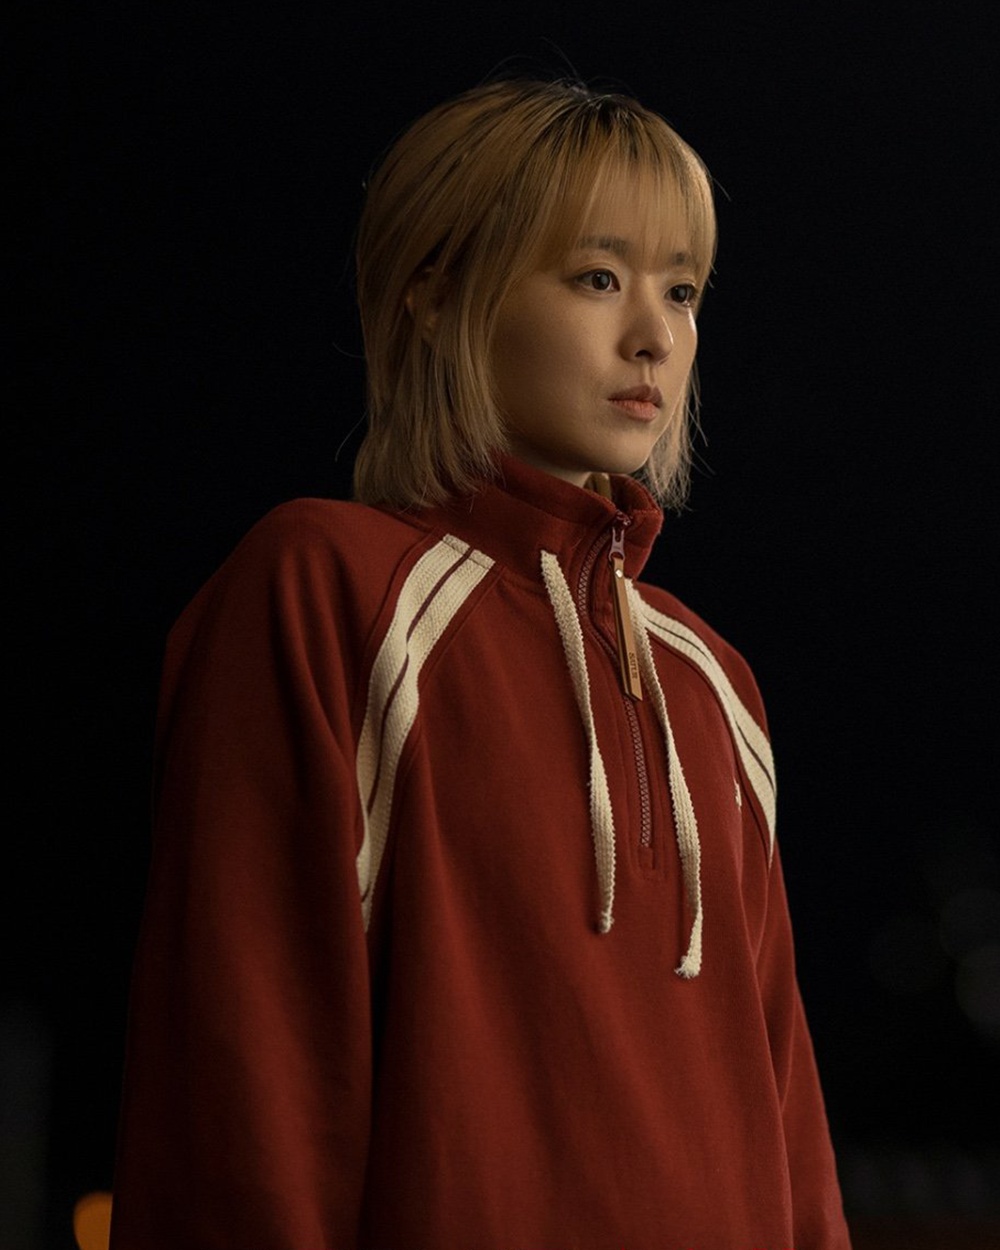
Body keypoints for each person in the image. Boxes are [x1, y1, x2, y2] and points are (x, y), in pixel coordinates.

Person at [109, 78, 851, 1248]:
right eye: (597, 277)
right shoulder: (325, 588)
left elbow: (789, 1123)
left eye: (682, 289)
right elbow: (244, 1077)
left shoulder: (710, 680)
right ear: (434, 289)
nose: (655, 334)